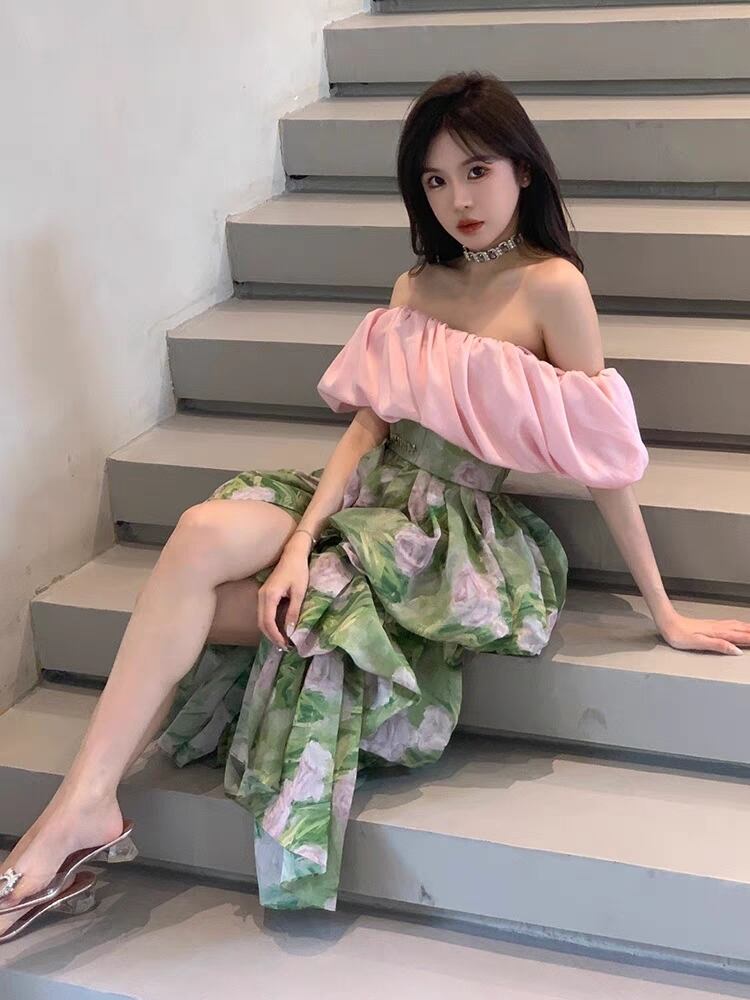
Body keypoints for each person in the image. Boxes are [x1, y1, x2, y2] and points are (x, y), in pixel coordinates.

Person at [3, 71, 748, 939]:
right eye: (436, 180)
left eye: (477, 171)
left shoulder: (553, 288)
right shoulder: (416, 285)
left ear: (524, 170)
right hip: (368, 494)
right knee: (202, 534)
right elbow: (367, 428)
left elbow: (605, 461)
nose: (458, 200)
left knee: (212, 603)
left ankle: (71, 821)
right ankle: (84, 806)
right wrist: (298, 541)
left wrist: (664, 611)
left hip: (443, 535)